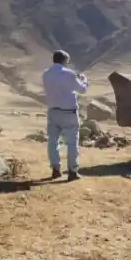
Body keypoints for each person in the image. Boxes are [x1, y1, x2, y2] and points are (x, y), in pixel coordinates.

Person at [41, 50, 89, 181]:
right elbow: (82, 89)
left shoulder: (46, 74)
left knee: (52, 141)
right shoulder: (69, 74)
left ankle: (55, 169)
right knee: (72, 143)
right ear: (64, 60)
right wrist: (84, 80)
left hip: (53, 110)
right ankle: (72, 171)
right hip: (69, 112)